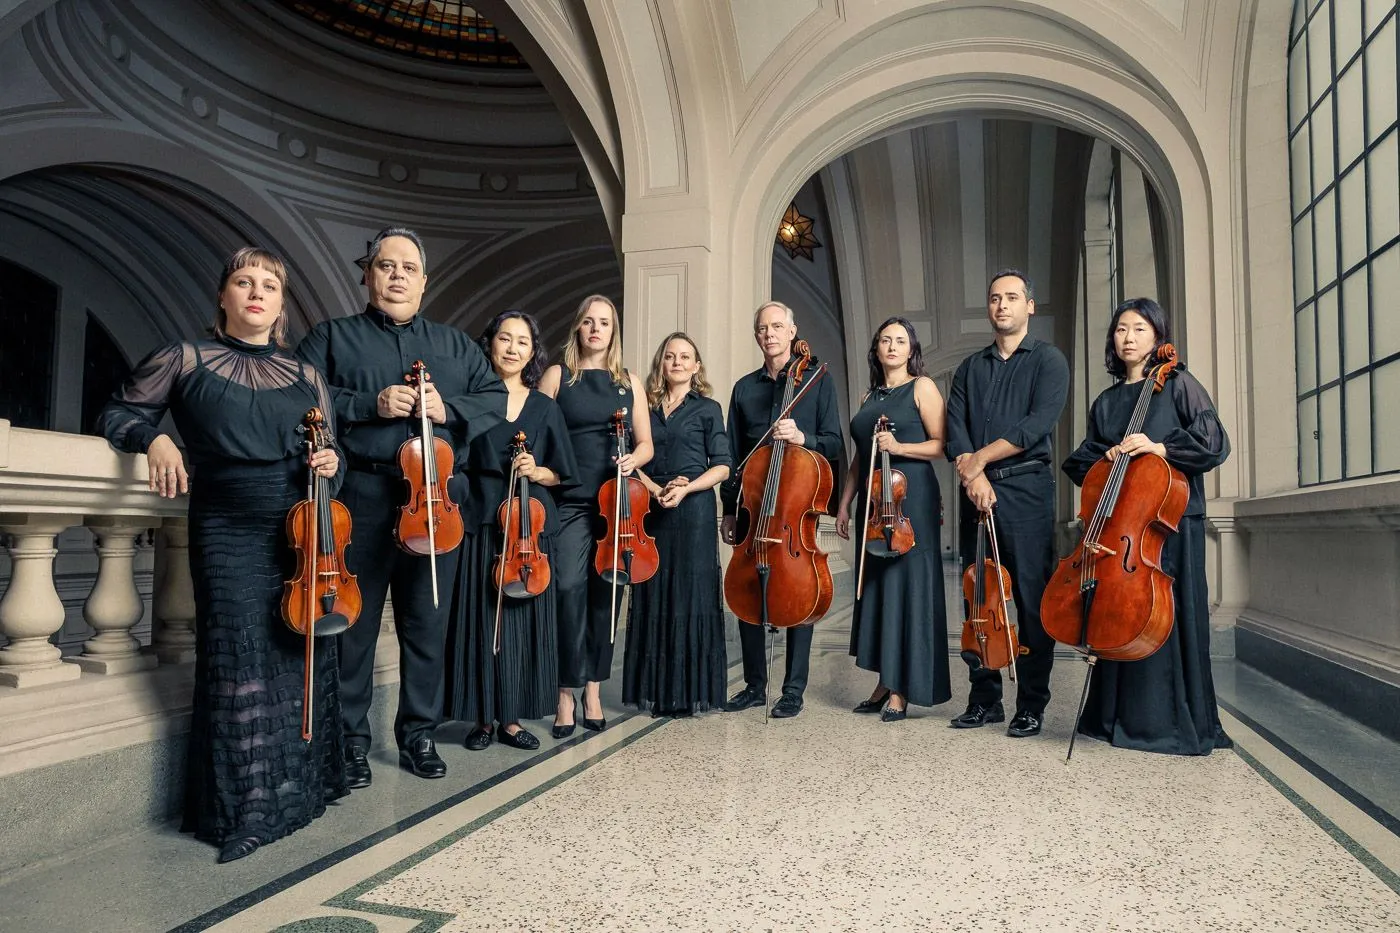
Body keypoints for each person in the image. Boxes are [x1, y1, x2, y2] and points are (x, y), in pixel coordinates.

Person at [98, 247, 346, 864]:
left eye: (269, 286)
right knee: (235, 661)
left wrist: (330, 463)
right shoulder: (184, 358)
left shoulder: (306, 375)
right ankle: (245, 809)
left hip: (299, 531)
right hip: (227, 527)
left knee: (297, 658)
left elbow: (332, 456)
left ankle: (299, 791)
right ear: (223, 295)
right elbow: (117, 411)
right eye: (244, 281)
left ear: (281, 305)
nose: (256, 292)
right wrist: (154, 438)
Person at [296, 226, 505, 785]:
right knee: (354, 627)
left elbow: (495, 397)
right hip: (361, 497)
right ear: (367, 275)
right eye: (386, 266)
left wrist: (448, 408)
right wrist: (372, 403)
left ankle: (419, 736)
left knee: (427, 625)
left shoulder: (456, 345)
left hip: (435, 503)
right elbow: (296, 394)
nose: (397, 276)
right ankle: (350, 743)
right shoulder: (332, 337)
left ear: (424, 282)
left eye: (408, 268)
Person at [1062, 297, 1232, 755]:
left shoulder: (1177, 384)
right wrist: (1107, 455)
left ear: (1157, 336)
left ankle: (1174, 724)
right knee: (1118, 613)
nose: (1129, 337)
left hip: (1171, 523)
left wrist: (1160, 448)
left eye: (1139, 328)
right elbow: (1082, 463)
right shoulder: (1106, 401)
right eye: (1121, 329)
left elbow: (1213, 442)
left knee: (1173, 618)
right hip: (1124, 528)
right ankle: (1112, 718)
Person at [444, 311, 578, 751]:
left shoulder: (545, 407)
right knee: (481, 619)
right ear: (490, 344)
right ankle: (482, 718)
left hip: (528, 529)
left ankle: (512, 719)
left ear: (532, 352)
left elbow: (564, 473)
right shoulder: (469, 401)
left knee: (522, 624)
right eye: (505, 339)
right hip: (481, 519)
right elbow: (453, 461)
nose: (513, 348)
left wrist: (537, 470)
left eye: (523, 341)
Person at [945, 269, 1069, 738]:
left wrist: (979, 461)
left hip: (1026, 490)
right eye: (995, 298)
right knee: (978, 597)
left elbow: (1035, 425)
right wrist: (973, 474)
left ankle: (1031, 705)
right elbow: (955, 427)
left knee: (1032, 602)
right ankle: (985, 699)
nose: (1002, 305)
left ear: (1029, 306)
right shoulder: (970, 368)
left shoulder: (1049, 361)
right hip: (975, 492)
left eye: (1012, 297)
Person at [720, 301, 843, 719]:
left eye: (776, 327)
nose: (769, 334)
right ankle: (754, 686)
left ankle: (792, 690)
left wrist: (804, 438)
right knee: (747, 590)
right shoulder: (744, 389)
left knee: (800, 590)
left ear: (792, 332)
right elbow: (734, 456)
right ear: (756, 335)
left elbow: (834, 442)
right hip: (755, 511)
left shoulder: (817, 381)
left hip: (793, 510)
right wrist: (730, 509)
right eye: (762, 328)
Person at [539, 295, 653, 737]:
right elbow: (536, 432)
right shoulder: (558, 376)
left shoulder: (629, 382)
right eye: (588, 321)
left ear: (613, 331)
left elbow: (645, 444)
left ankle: (592, 691)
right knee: (567, 590)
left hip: (615, 504)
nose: (595, 329)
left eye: (604, 322)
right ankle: (564, 693)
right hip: (568, 499)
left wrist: (634, 460)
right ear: (578, 327)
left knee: (607, 596)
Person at [835, 317, 950, 721]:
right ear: (877, 349)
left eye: (901, 340)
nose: (892, 346)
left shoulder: (922, 387)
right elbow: (860, 457)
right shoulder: (869, 395)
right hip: (873, 500)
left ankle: (902, 689)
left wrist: (899, 446)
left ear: (911, 349)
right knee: (879, 587)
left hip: (909, 498)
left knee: (906, 587)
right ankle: (885, 681)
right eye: (886, 340)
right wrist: (844, 503)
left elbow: (942, 445)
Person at [624, 333, 732, 717]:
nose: (677, 363)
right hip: (652, 508)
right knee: (654, 592)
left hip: (693, 509)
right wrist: (655, 490)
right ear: (661, 363)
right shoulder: (645, 407)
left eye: (686, 357)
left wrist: (687, 488)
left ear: (696, 366)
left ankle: (689, 694)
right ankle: (657, 691)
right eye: (670, 356)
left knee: (690, 594)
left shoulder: (708, 408)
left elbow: (723, 465)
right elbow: (631, 458)